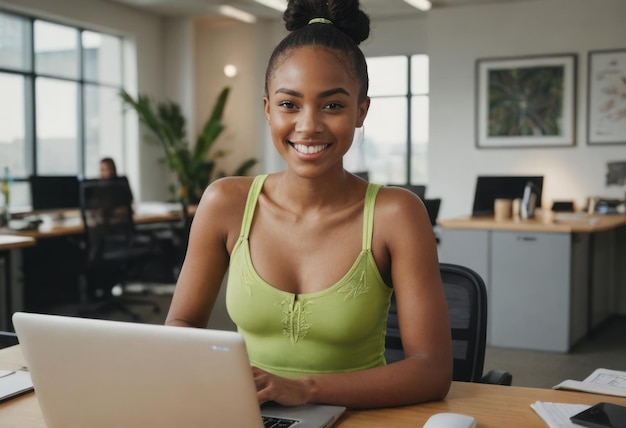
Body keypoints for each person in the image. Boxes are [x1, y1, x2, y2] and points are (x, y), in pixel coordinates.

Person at [165, 0, 452, 409]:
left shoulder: (396, 214)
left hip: (359, 417)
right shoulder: (226, 203)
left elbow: (432, 371)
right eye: (289, 104)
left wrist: (304, 390)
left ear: (361, 111)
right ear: (267, 109)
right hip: (251, 411)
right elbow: (181, 323)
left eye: (333, 105)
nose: (308, 125)